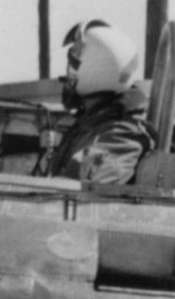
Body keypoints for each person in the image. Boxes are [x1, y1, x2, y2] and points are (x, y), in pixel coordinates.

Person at [41, 20, 153, 185]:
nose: (68, 76)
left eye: (73, 66)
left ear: (93, 69)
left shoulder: (121, 134)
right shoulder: (94, 121)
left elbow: (80, 186)